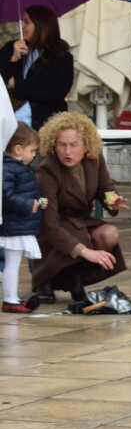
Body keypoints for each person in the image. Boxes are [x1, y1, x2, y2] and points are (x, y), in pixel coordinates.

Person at [33, 112, 128, 302]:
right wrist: (87, 252)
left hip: (80, 219)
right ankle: (47, 278)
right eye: (62, 145)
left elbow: (106, 188)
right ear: (53, 145)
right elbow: (49, 223)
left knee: (109, 233)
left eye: (74, 145)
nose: (67, 151)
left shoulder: (94, 159)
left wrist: (112, 201)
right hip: (55, 221)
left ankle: (76, 277)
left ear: (86, 145)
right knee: (77, 233)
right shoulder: (47, 168)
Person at [1, 5, 74, 130]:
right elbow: (2, 81)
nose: (23, 26)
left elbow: (56, 91)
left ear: (41, 25)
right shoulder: (12, 48)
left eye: (27, 22)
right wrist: (14, 58)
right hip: (9, 124)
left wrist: (17, 84)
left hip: (44, 125)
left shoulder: (60, 56)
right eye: (22, 22)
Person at [0, 123, 42, 313]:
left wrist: (37, 202)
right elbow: (5, 195)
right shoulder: (10, 169)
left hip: (18, 223)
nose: (34, 155)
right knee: (12, 263)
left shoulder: (17, 168)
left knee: (13, 263)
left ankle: (12, 298)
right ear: (18, 149)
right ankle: (10, 299)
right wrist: (27, 204)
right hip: (14, 224)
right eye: (32, 150)